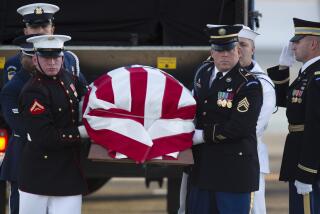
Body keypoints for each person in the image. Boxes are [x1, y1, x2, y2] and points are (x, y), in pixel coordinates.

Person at [186, 25, 263, 214]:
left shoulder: (248, 84)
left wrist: (202, 136)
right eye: (219, 50)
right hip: (202, 167)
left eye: (229, 49)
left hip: (233, 172)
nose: (225, 55)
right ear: (212, 52)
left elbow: (240, 127)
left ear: (238, 51)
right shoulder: (203, 73)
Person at [17, 34, 88, 214]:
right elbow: (45, 138)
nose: (52, 63)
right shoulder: (34, 91)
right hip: (39, 174)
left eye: (56, 57)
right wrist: (83, 132)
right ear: (35, 59)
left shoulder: (67, 77)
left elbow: (86, 97)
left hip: (68, 172)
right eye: (45, 58)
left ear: (63, 58)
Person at [267, 18, 320, 214]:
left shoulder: (317, 77)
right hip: (299, 156)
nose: (292, 45)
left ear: (313, 44)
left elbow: (316, 127)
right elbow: (285, 102)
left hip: (310, 164)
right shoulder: (307, 74)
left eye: (298, 41)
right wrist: (282, 68)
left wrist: (307, 172)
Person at [238, 25, 276, 214]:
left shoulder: (263, 84)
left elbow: (254, 127)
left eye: (243, 44)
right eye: (233, 45)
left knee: (252, 210)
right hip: (216, 158)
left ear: (253, 49)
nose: (238, 49)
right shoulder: (211, 75)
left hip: (248, 157)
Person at [0, 34, 39, 214]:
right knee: (20, 206)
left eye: (37, 56)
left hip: (49, 157)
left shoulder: (54, 81)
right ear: (22, 57)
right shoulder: (13, 87)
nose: (34, 60)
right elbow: (18, 124)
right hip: (24, 153)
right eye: (30, 56)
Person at [3, 3, 85, 85]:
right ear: (25, 31)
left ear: (52, 30)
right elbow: (11, 95)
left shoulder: (69, 58)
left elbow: (84, 92)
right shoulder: (14, 63)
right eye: (34, 27)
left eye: (45, 26)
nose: (40, 31)